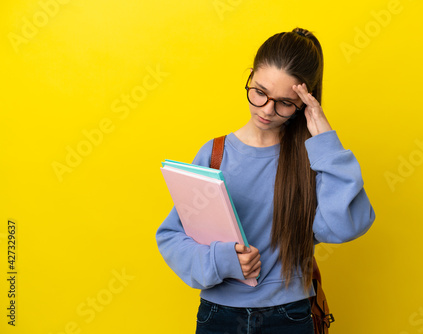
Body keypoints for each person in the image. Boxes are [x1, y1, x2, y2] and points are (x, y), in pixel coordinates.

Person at [156, 27, 375, 333]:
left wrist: (326, 141)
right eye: (259, 92)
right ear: (250, 77)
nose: (267, 111)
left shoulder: (312, 158)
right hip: (218, 317)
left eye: (285, 102)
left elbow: (344, 227)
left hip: (291, 317)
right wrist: (223, 261)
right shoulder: (215, 154)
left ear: (304, 101)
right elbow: (171, 236)